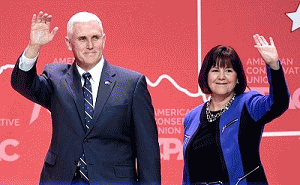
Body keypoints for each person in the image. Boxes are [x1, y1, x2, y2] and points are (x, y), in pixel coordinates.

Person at [11, 11, 161, 185]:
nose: (90, 45)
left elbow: (147, 150)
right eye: (82, 39)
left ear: (104, 40)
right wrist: (34, 47)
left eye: (95, 38)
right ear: (69, 43)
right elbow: (21, 84)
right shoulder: (55, 77)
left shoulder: (131, 83)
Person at [182, 34, 289, 185]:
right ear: (206, 76)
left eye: (228, 71)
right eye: (215, 70)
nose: (221, 76)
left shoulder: (248, 104)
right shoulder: (192, 116)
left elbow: (279, 103)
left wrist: (274, 66)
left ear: (237, 77)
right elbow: (188, 173)